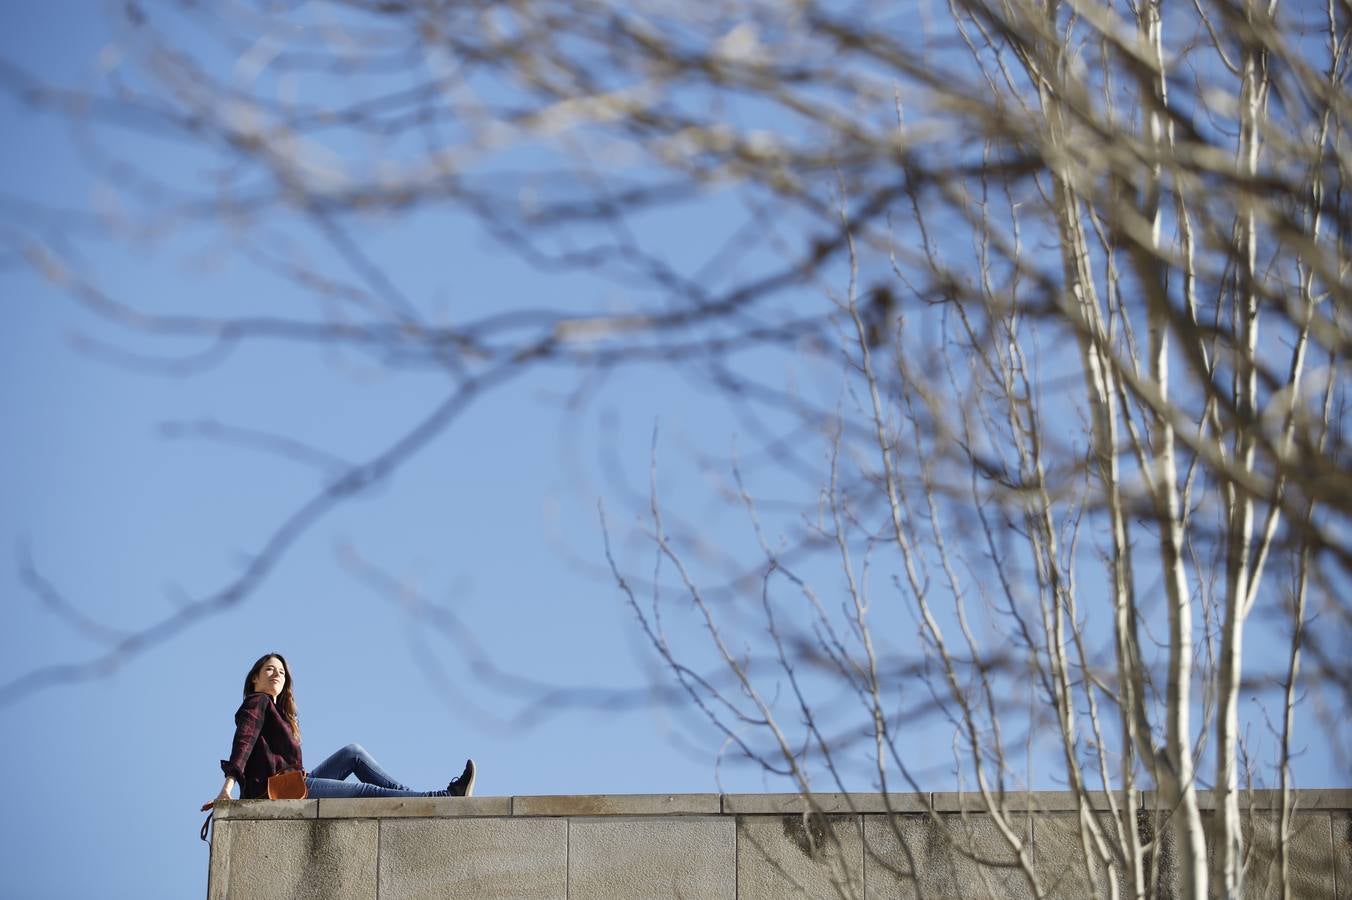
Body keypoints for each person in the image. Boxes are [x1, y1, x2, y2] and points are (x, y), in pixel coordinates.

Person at [202, 652, 475, 810]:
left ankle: (421, 795)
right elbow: (244, 740)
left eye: (281, 672)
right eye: (269, 669)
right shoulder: (257, 701)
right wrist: (227, 786)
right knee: (364, 791)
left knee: (352, 753)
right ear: (255, 678)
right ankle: (444, 798)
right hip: (275, 791)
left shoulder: (279, 714)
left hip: (294, 784)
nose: (276, 674)